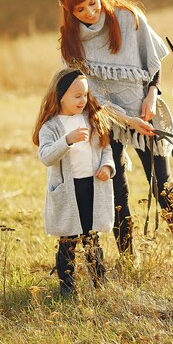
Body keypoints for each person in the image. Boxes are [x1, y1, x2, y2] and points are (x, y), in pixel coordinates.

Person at [56, 0, 173, 259]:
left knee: (163, 187)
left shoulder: (127, 17)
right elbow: (89, 95)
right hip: (107, 119)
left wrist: (152, 94)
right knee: (117, 193)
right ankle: (128, 259)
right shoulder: (71, 42)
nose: (90, 13)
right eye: (80, 9)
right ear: (69, 11)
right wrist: (125, 120)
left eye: (92, 3)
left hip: (145, 112)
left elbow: (153, 61)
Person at [33, 68, 115, 296]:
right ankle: (67, 286)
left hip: (92, 186)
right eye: (76, 96)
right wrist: (66, 140)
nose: (82, 101)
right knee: (68, 239)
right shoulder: (51, 127)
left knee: (92, 237)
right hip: (69, 191)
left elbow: (105, 149)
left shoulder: (92, 119)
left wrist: (107, 166)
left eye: (85, 95)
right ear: (60, 96)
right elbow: (46, 157)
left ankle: (100, 282)